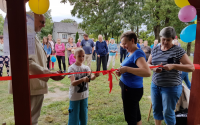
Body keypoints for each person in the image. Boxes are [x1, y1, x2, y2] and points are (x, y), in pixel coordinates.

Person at [9, 13, 65, 125]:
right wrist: (49, 74)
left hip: (32, 85)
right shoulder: (26, 35)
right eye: (41, 22)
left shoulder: (30, 35)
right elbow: (27, 62)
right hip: (30, 86)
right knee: (30, 120)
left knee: (30, 119)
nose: (43, 25)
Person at [147, 26, 194, 125]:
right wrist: (154, 68)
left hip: (171, 87)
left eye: (168, 40)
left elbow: (191, 67)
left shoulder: (178, 50)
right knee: (156, 109)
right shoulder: (155, 49)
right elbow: (148, 64)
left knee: (168, 112)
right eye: (163, 39)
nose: (165, 42)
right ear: (160, 38)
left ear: (173, 39)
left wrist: (174, 66)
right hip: (155, 85)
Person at [116, 31, 151, 125]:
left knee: (130, 118)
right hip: (128, 88)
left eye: (124, 43)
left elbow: (147, 72)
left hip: (131, 90)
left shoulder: (137, 53)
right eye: (122, 44)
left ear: (132, 40)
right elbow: (132, 69)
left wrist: (126, 69)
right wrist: (122, 72)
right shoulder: (130, 52)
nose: (123, 46)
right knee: (135, 115)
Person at [68, 48, 99, 125]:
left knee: (84, 118)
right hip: (75, 97)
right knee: (74, 118)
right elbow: (73, 83)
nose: (82, 58)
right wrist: (82, 79)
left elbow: (90, 77)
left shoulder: (86, 68)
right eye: (79, 56)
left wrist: (95, 76)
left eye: (83, 56)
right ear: (74, 57)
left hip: (84, 96)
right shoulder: (71, 68)